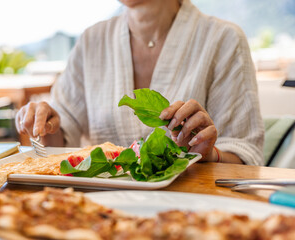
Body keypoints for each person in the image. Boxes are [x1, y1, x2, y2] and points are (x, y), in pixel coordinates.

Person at [16, 0, 264, 165]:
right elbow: (60, 142)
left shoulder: (223, 39)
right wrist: (45, 123)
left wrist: (208, 154)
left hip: (192, 210)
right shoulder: (92, 40)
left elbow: (246, 155)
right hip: (98, 211)